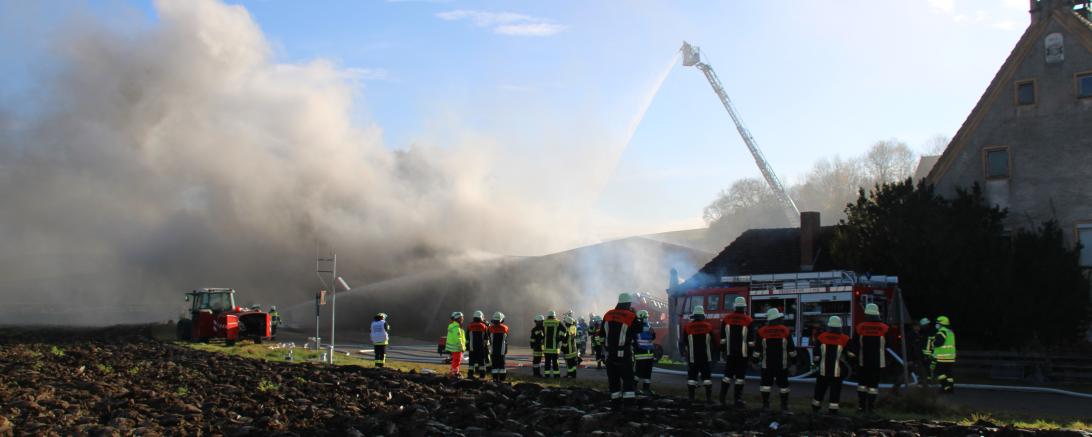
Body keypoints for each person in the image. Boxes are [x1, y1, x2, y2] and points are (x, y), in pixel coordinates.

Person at [600, 293, 639, 410]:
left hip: (610, 354)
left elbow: (601, 335)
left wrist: (604, 347)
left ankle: (615, 405)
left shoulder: (607, 314)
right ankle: (629, 406)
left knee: (613, 381)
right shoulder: (630, 316)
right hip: (624, 355)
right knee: (628, 380)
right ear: (628, 303)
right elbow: (638, 329)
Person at [848, 303, 889, 415]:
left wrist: (852, 359)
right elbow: (888, 345)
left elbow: (854, 346)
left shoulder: (860, 327)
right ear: (877, 313)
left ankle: (861, 407)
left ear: (866, 313)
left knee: (862, 385)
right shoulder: (884, 328)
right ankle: (870, 408)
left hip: (863, 362)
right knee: (873, 387)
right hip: (878, 363)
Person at [754, 308, 796, 411]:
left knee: (765, 386)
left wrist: (754, 362)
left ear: (769, 320)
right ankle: (784, 406)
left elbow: (757, 350)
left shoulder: (761, 331)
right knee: (784, 387)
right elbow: (791, 350)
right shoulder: (785, 330)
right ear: (778, 318)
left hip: (766, 365)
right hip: (782, 365)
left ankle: (765, 405)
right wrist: (794, 364)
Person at [719, 297, 753, 408]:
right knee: (739, 378)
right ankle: (737, 400)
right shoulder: (748, 320)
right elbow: (751, 341)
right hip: (743, 355)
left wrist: (723, 352)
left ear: (734, 306)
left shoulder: (726, 319)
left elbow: (722, 338)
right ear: (744, 307)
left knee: (727, 376)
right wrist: (751, 355)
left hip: (730, 354)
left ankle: (722, 399)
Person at [812, 316, 850, 415]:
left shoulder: (821, 337)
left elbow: (816, 353)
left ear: (829, 326)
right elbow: (849, 354)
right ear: (840, 327)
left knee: (819, 390)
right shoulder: (845, 338)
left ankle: (815, 408)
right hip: (837, 372)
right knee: (835, 391)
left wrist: (815, 364)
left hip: (822, 370)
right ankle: (833, 411)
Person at [680, 305, 717, 405]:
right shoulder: (709, 326)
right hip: (706, 357)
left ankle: (691, 398)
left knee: (692, 378)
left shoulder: (687, 327)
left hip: (693, 358)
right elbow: (714, 342)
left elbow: (683, 342)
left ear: (694, 316)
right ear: (702, 316)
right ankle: (708, 399)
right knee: (707, 379)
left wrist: (683, 353)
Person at [633, 310, 657, 395]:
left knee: (648, 373)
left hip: (649, 353)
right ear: (641, 317)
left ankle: (646, 389)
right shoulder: (635, 326)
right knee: (638, 372)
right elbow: (634, 338)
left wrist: (653, 334)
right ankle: (633, 388)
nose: (647, 318)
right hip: (641, 353)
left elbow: (652, 337)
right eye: (646, 317)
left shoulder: (648, 325)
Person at [933, 316, 957, 394]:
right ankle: (950, 388)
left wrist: (933, 342)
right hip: (951, 358)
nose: (936, 324)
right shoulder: (950, 332)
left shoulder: (941, 332)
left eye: (938, 323)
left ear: (942, 323)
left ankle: (945, 387)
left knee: (939, 372)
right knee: (949, 373)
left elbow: (939, 343)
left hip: (942, 358)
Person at [466, 310, 490, 380]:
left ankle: (470, 375)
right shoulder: (484, 326)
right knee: (481, 362)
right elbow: (486, 339)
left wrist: (467, 346)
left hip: (472, 348)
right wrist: (486, 347)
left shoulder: (469, 326)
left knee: (471, 362)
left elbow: (467, 338)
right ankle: (482, 376)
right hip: (481, 348)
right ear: (481, 317)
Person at [542, 311, 564, 379]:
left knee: (547, 362)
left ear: (548, 316)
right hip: (555, 347)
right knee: (555, 362)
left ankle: (547, 375)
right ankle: (556, 375)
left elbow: (541, 332)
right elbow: (565, 331)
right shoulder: (558, 322)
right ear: (554, 316)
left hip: (546, 347)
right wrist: (560, 338)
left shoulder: (544, 322)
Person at [489, 312, 510, 382]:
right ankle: (502, 379)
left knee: (494, 365)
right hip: (502, 350)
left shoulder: (490, 328)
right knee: (502, 365)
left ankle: (495, 378)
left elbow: (489, 338)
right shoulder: (505, 328)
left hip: (493, 350)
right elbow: (506, 340)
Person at [446, 312, 466, 377]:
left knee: (456, 359)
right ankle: (454, 373)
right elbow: (458, 338)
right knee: (457, 360)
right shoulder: (456, 328)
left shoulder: (454, 326)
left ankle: (454, 371)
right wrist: (461, 347)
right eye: (461, 318)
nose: (462, 320)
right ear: (458, 319)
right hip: (457, 347)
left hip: (454, 347)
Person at [918, 317, 936, 385]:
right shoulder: (925, 332)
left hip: (928, 354)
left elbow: (928, 344)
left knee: (928, 368)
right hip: (926, 353)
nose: (921, 326)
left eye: (922, 325)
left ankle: (929, 380)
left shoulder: (930, 333)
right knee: (926, 368)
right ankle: (927, 380)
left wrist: (926, 355)